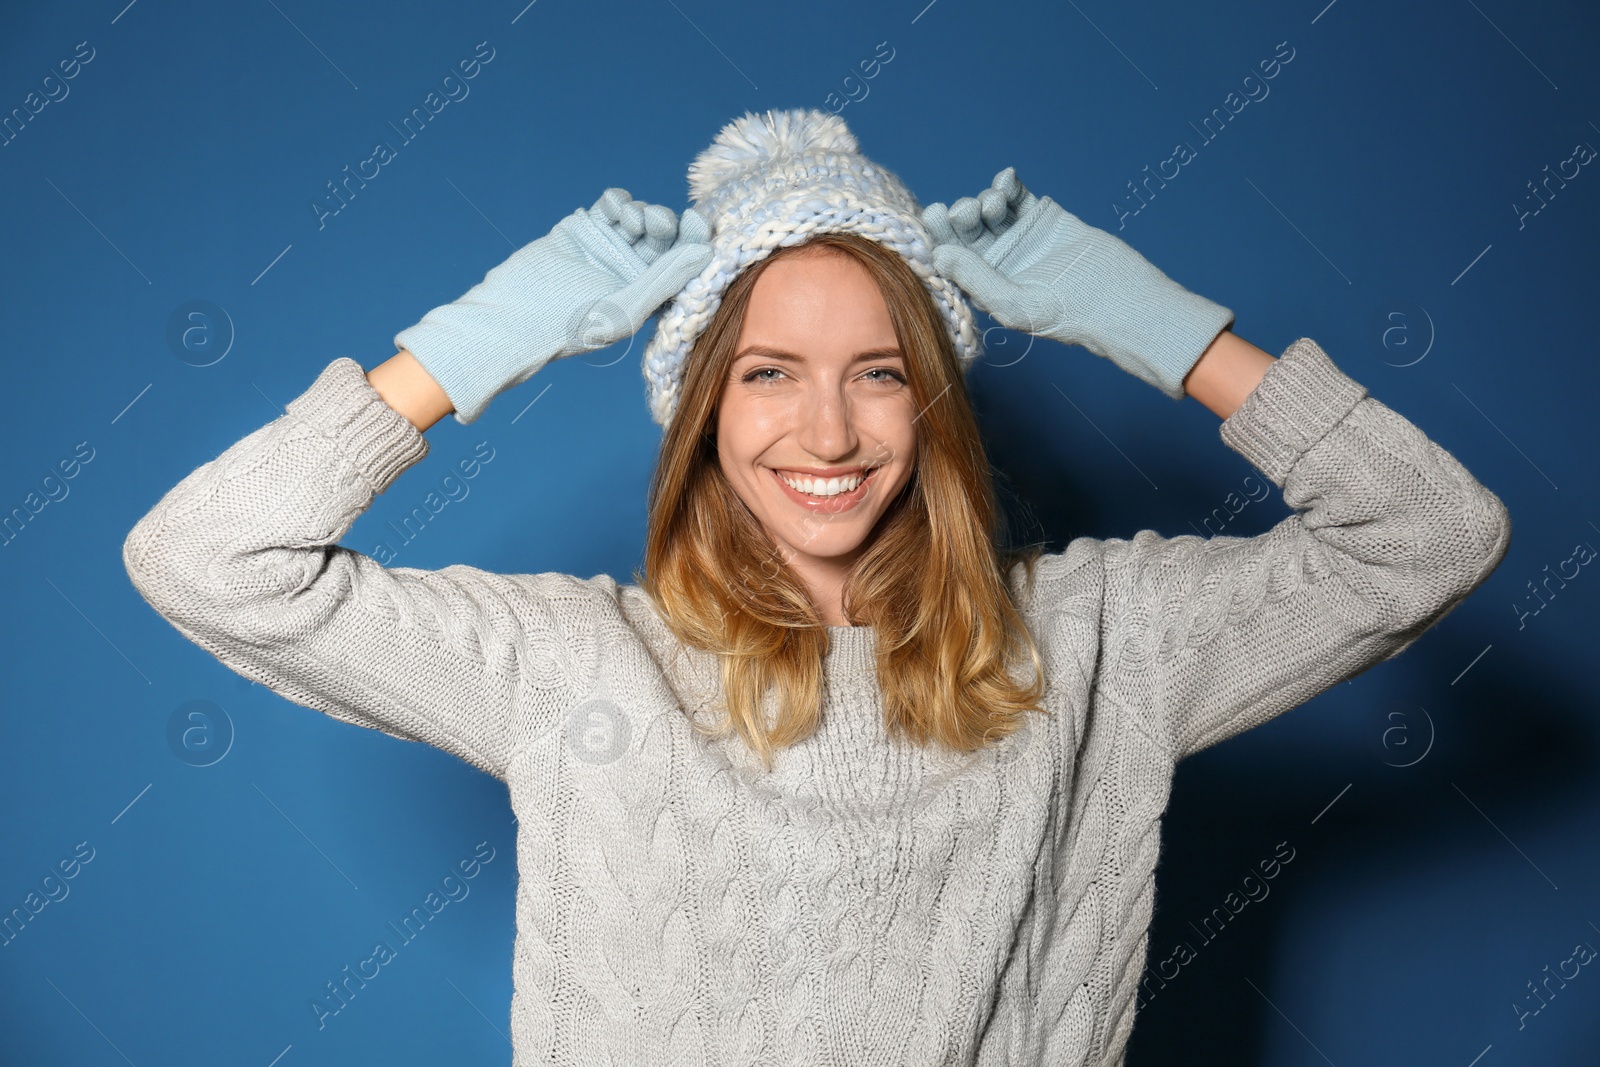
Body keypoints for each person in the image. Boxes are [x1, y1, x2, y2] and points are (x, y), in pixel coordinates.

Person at [122, 108, 1511, 1065]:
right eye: (769, 371)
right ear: (703, 411)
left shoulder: (1094, 645)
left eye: (880, 371)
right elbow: (207, 560)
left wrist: (1158, 327)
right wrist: (478, 344)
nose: (829, 433)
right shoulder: (573, 667)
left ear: (934, 405)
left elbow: (1431, 533)